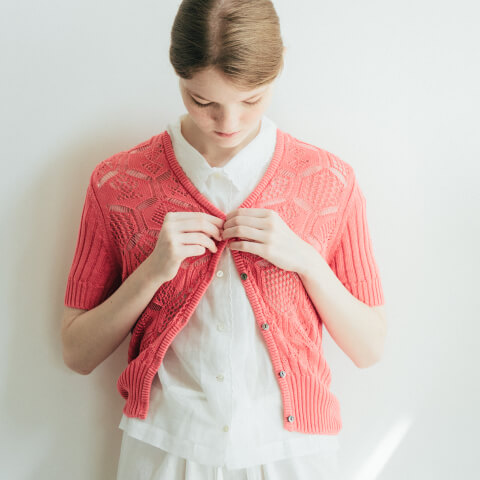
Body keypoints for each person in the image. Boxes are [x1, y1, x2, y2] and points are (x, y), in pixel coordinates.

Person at [61, 1, 386, 479]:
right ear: (178, 74)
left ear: (277, 70)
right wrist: (152, 271)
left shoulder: (328, 181)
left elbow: (369, 347)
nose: (228, 122)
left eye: (251, 100)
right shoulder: (118, 182)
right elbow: (77, 353)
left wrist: (306, 261)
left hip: (293, 453)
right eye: (203, 101)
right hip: (165, 445)